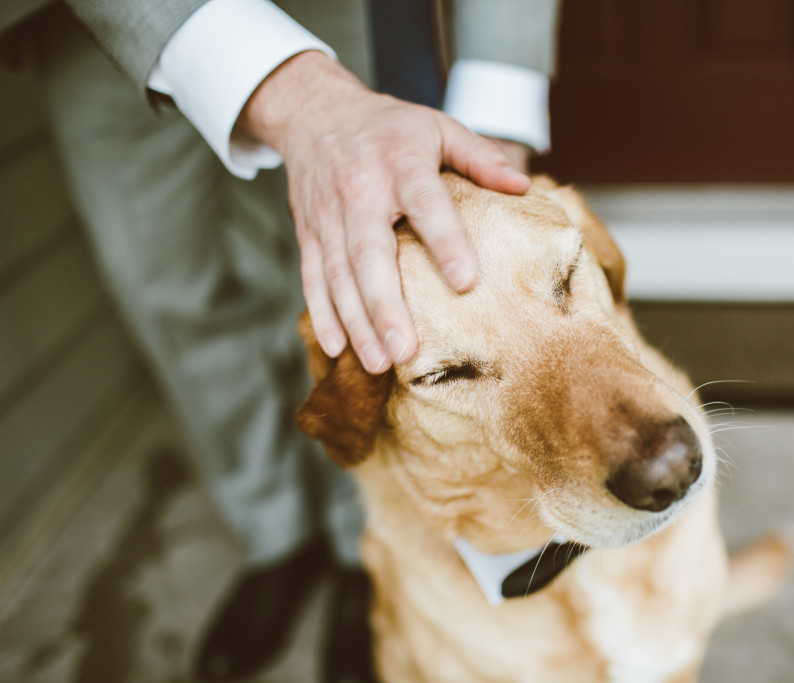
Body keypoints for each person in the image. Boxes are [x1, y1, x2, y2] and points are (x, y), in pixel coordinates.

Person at [1, 0, 561, 680]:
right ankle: (274, 533)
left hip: (334, 14)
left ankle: (363, 548)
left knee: (349, 306)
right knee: (166, 291)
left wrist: (495, 111)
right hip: (95, 25)